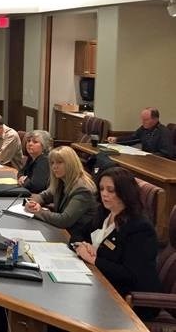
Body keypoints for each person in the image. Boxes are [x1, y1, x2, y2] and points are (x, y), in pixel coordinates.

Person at [73, 167, 161, 320]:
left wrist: (93, 259)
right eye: (101, 189)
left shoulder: (139, 227)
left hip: (129, 299)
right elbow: (78, 232)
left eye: (111, 190)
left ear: (125, 193)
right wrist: (82, 245)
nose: (104, 194)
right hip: (100, 283)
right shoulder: (105, 212)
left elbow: (130, 275)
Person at [25, 146, 98, 239]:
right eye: (52, 163)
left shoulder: (82, 189)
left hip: (74, 238)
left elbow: (64, 220)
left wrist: (38, 211)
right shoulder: (61, 180)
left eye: (59, 162)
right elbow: (44, 196)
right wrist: (33, 203)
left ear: (71, 164)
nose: (54, 166)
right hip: (60, 231)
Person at [107, 107, 173, 158]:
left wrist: (148, 155)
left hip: (158, 163)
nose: (143, 122)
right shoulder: (143, 129)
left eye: (146, 120)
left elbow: (166, 153)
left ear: (155, 119)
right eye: (142, 119)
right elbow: (133, 138)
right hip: (145, 160)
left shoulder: (164, 132)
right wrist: (116, 139)